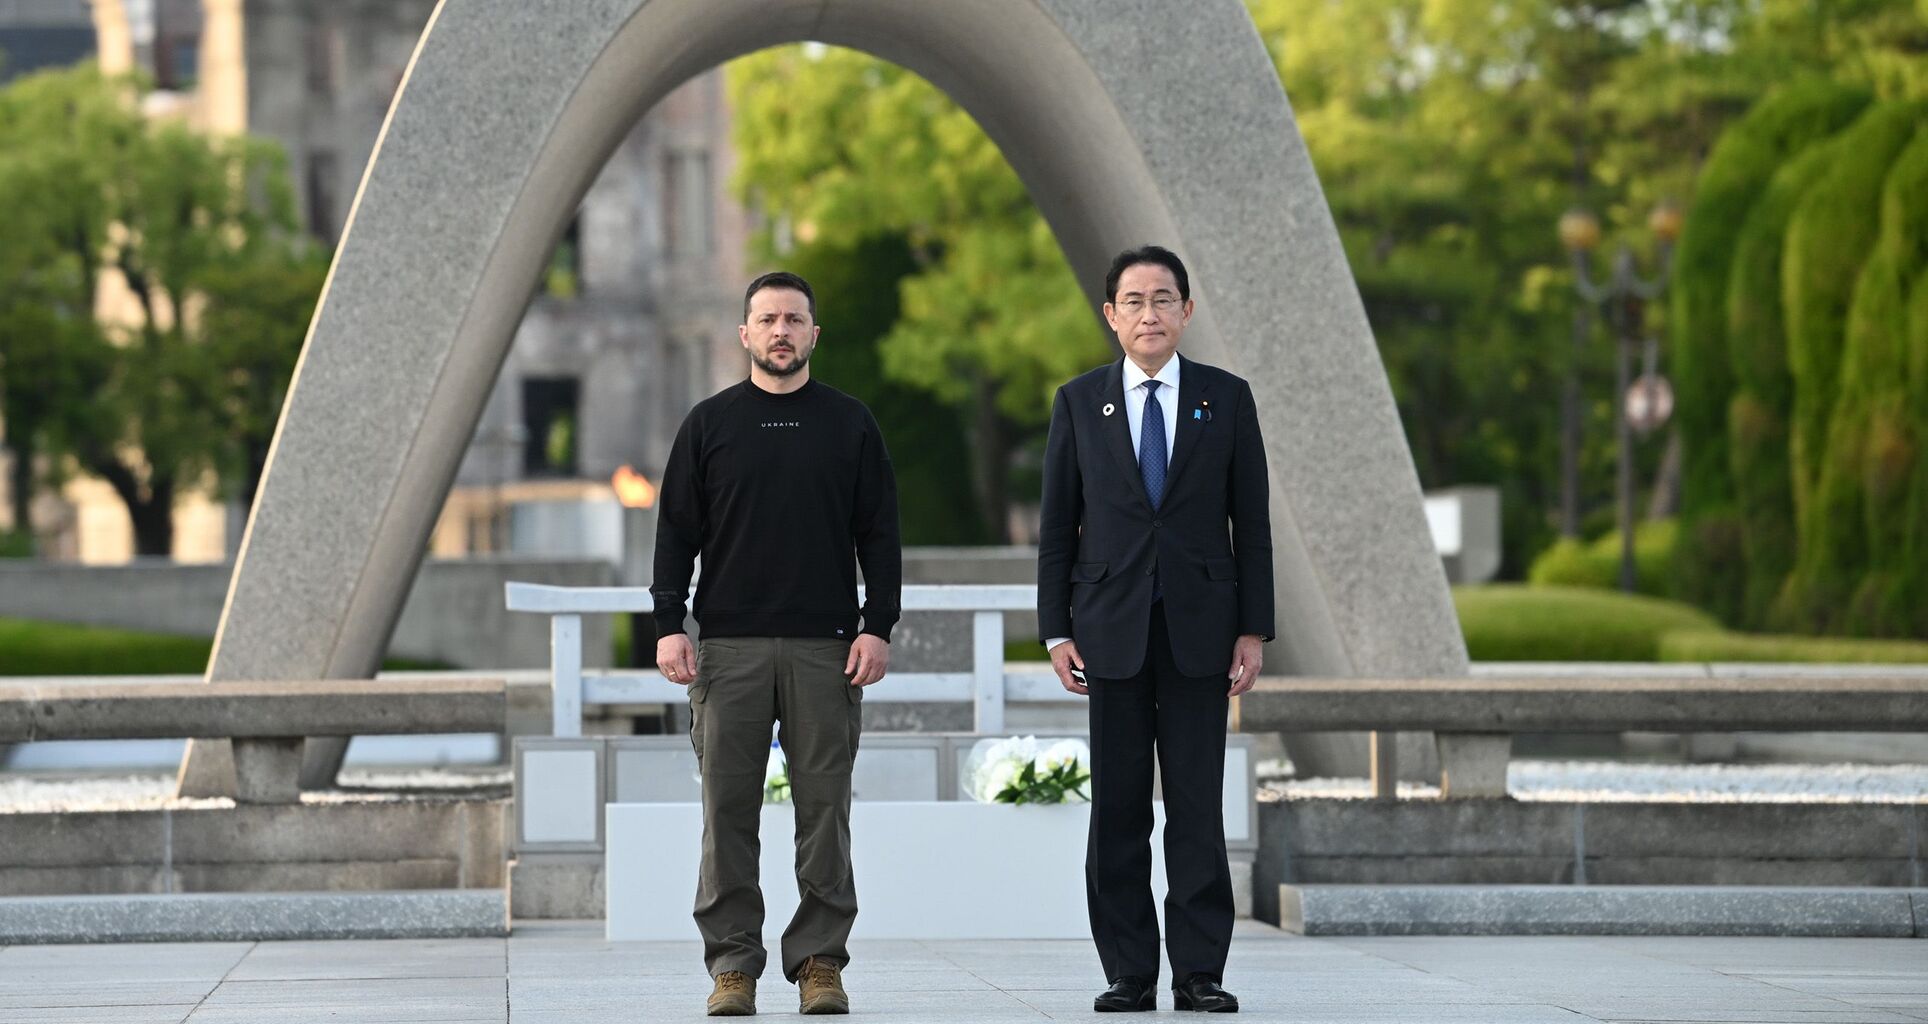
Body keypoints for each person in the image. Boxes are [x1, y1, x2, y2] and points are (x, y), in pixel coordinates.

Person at [652, 270, 901, 1017]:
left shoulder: (850, 424)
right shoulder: (709, 424)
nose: (781, 331)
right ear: (746, 334)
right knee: (727, 812)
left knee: (825, 812)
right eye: (767, 319)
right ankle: (733, 966)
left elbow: (880, 534)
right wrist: (668, 623)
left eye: (794, 319)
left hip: (828, 648)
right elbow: (675, 533)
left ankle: (820, 963)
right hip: (728, 648)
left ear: (814, 333)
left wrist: (878, 624)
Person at [1037, 245, 1274, 1014]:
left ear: (1187, 311)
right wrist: (1054, 630)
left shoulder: (1225, 399)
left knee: (1197, 806)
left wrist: (1254, 629)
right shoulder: (1080, 402)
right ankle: (1129, 971)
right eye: (1134, 301)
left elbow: (1252, 522)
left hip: (1203, 630)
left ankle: (1200, 971)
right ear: (1111, 315)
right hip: (1109, 630)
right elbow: (1056, 527)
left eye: (1163, 299)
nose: (1150, 314)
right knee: (1119, 807)